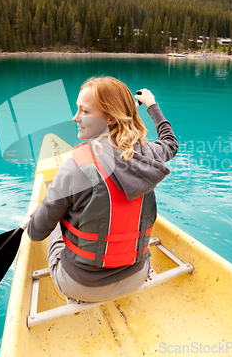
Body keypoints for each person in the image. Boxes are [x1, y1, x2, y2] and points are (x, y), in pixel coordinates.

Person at [27, 76, 178, 302]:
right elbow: (171, 142)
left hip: (80, 286)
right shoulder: (150, 155)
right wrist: (152, 104)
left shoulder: (74, 167)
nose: (75, 117)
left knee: (56, 221)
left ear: (110, 118)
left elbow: (35, 232)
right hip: (136, 276)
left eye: (84, 112)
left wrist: (47, 207)